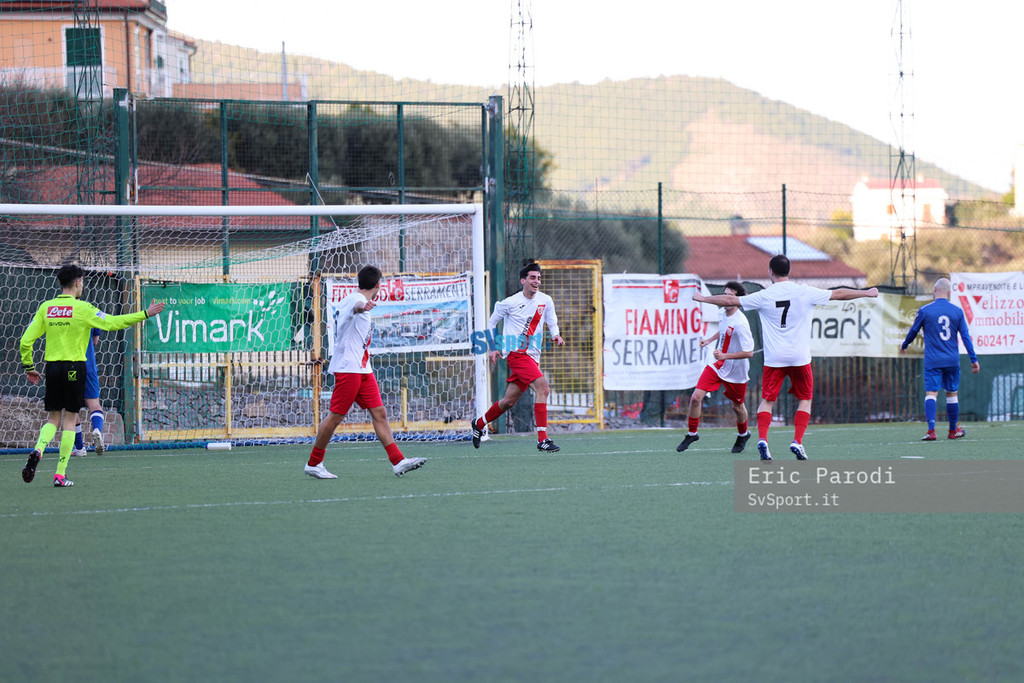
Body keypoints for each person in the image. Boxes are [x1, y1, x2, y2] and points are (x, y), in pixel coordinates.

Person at [694, 254, 878, 461]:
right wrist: (867, 292)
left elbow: (729, 300)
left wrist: (703, 298)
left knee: (767, 401)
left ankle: (763, 439)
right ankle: (797, 441)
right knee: (805, 399)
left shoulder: (764, 295)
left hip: (774, 359)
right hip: (800, 357)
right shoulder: (805, 291)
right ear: (788, 271)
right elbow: (839, 294)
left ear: (770, 272)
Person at [19, 264, 165, 487]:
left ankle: (38, 449)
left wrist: (29, 367)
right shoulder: (83, 308)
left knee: (53, 419)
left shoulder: (46, 308)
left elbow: (25, 341)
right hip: (74, 369)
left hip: (53, 369)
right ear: (78, 283)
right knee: (70, 420)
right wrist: (145, 313)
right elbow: (114, 323)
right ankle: (60, 475)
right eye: (83, 282)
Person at [305, 265, 425, 479]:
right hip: (349, 369)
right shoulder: (356, 300)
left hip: (362, 369)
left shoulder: (353, 298)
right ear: (378, 284)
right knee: (335, 416)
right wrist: (363, 307)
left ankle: (398, 461)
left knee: (380, 413)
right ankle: (314, 463)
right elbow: (357, 308)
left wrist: (363, 307)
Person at [470, 262, 565, 452]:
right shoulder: (510, 303)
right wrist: (493, 347)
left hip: (533, 357)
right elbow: (491, 323)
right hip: (517, 354)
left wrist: (556, 334)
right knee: (543, 389)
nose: (536, 281)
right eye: (532, 278)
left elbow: (551, 321)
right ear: (523, 281)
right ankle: (543, 439)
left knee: (508, 402)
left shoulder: (545, 300)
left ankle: (479, 423)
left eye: (539, 278)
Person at [676, 281, 755, 454]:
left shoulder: (741, 323)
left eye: (730, 296)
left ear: (737, 300)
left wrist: (725, 356)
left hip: (736, 371)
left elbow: (749, 353)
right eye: (724, 294)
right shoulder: (722, 313)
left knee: (737, 406)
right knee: (696, 397)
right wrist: (709, 340)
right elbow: (724, 330)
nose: (725, 298)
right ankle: (692, 433)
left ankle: (743, 434)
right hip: (718, 365)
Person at [899, 277, 980, 440]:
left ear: (935, 290)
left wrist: (905, 345)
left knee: (931, 393)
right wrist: (973, 359)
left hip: (933, 360)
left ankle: (931, 430)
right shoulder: (957, 311)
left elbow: (914, 331)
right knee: (952, 394)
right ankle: (953, 430)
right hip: (952, 360)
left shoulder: (925, 310)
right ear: (949, 293)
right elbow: (965, 337)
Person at [71, 328, 104, 457]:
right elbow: (95, 341)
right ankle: (97, 429)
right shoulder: (90, 314)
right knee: (94, 404)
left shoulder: (60, 316)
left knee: (71, 409)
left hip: (70, 368)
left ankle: (79, 447)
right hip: (89, 366)